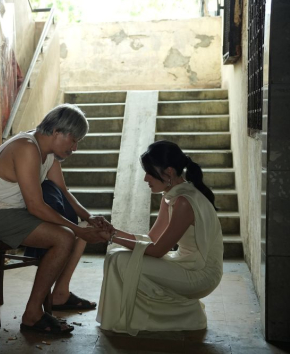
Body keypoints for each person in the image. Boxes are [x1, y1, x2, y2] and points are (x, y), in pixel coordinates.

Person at [0, 104, 111, 335]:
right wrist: (75, 228)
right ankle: (32, 315)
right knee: (64, 237)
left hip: (12, 212)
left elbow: (63, 191)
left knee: (75, 231)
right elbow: (35, 205)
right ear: (56, 132)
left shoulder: (49, 153)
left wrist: (89, 218)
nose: (74, 148)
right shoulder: (26, 147)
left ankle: (58, 296)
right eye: (73, 140)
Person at [96, 140, 224, 335]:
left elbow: (156, 250)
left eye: (149, 171)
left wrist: (111, 237)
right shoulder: (172, 196)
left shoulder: (184, 202)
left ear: (169, 172)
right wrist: (112, 231)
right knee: (115, 255)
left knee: (121, 260)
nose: (146, 178)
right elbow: (151, 239)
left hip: (202, 275)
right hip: (185, 264)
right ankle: (132, 317)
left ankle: (176, 315)